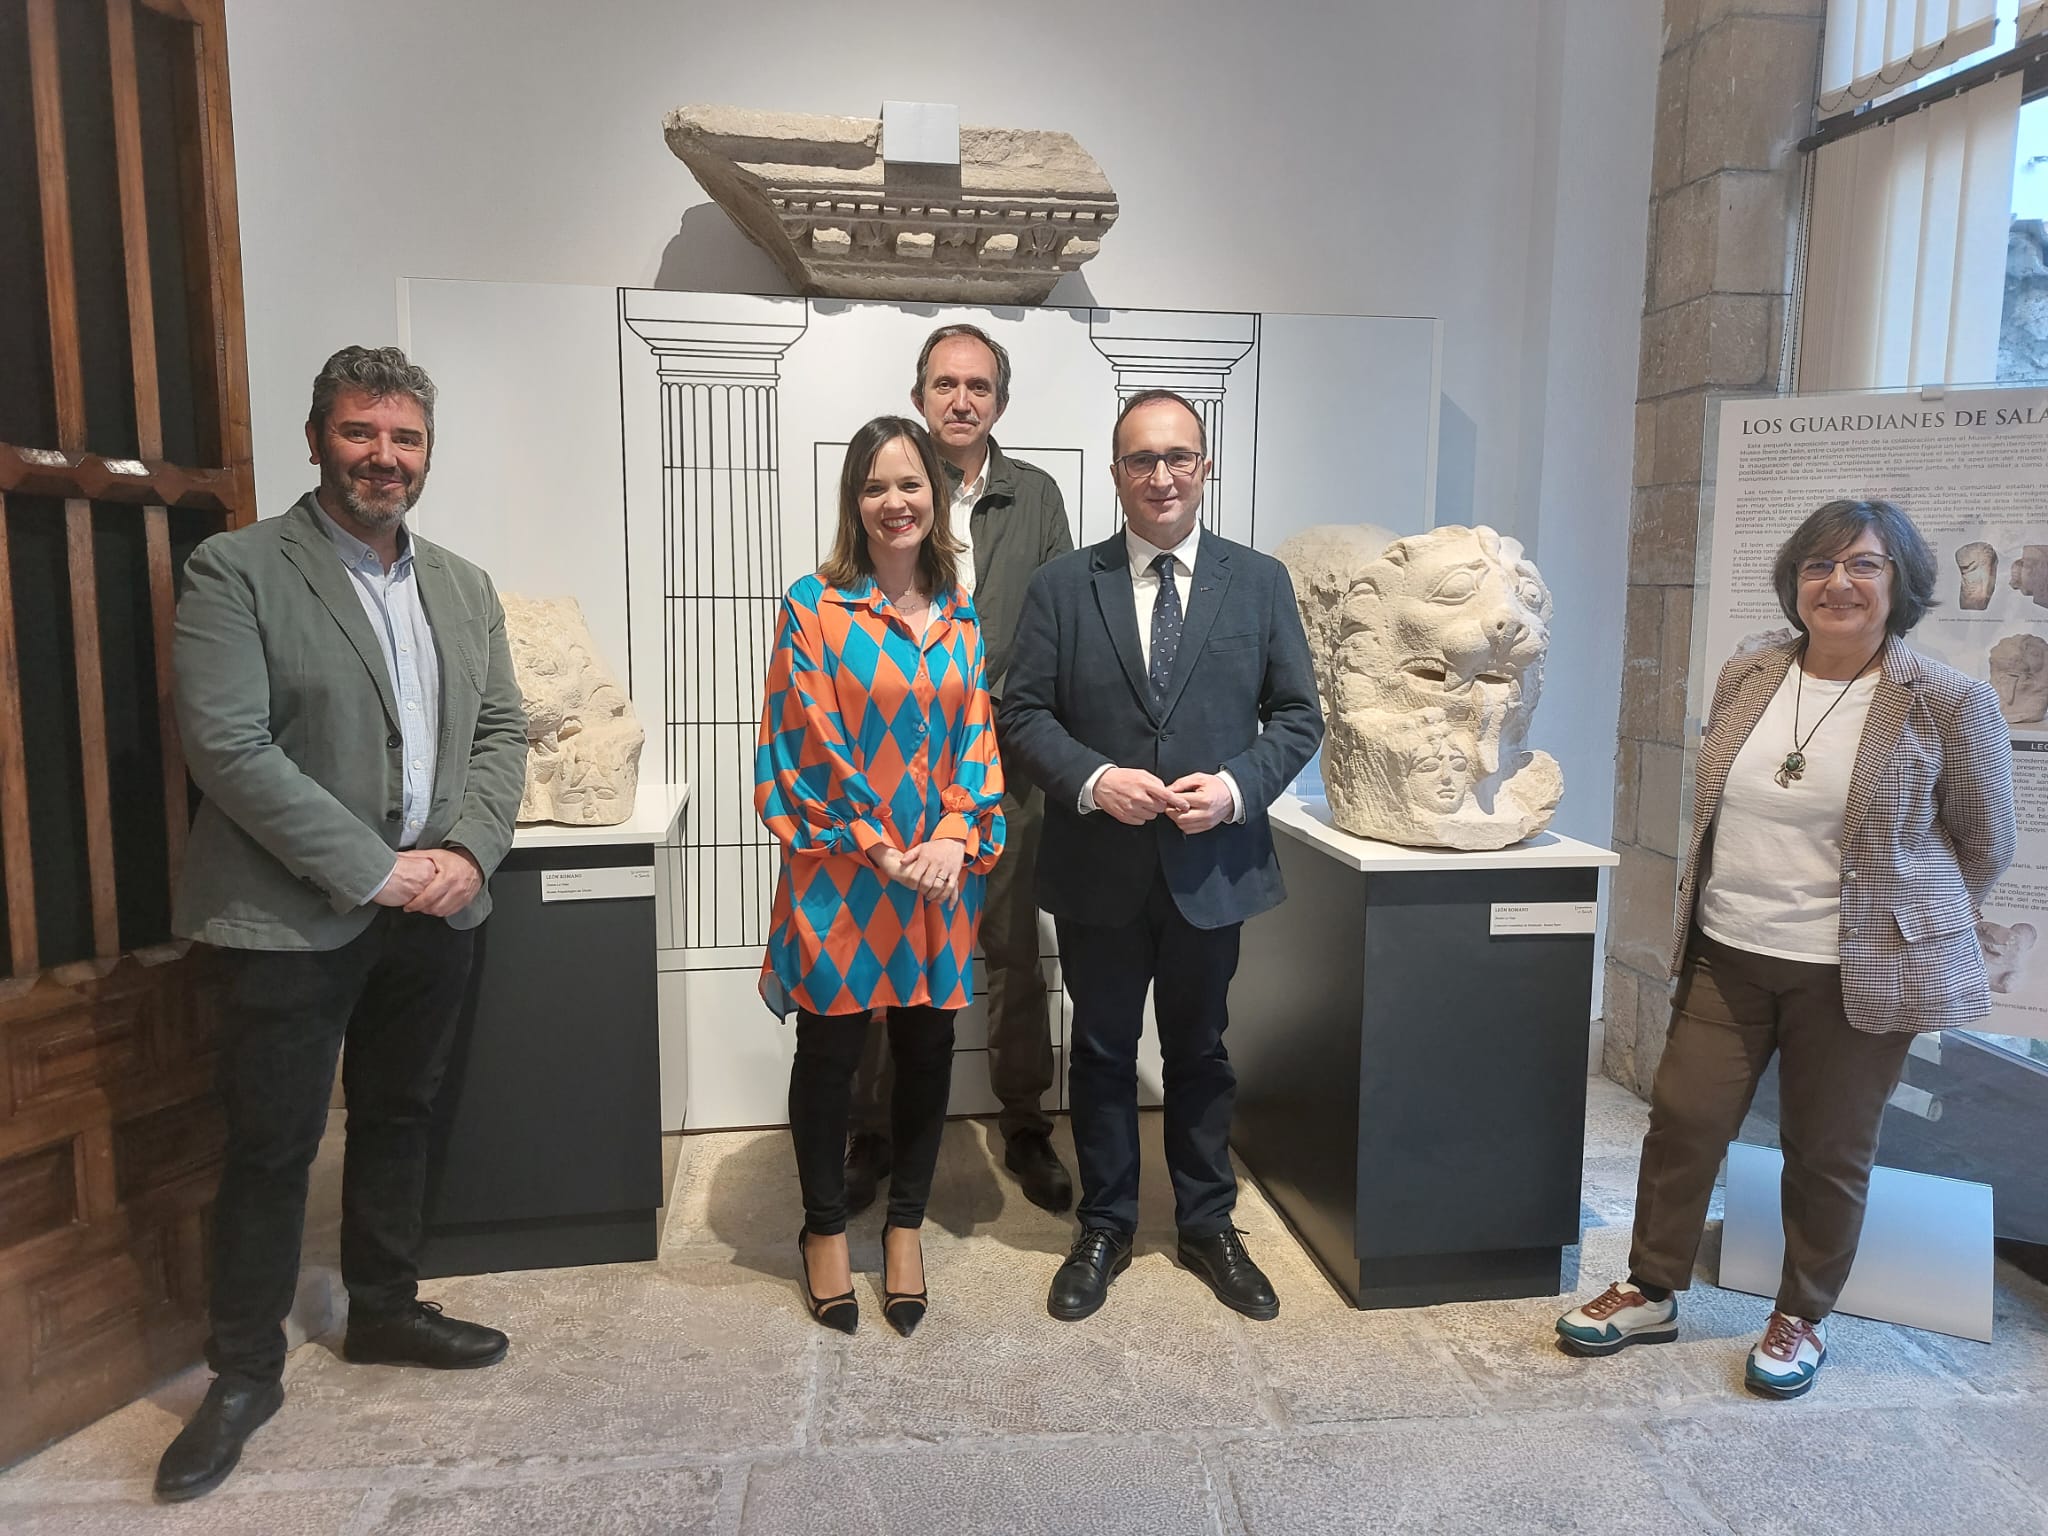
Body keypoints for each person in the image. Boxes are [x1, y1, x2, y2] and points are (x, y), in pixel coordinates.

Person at [155, 346, 528, 1501]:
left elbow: (501, 734)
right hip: (290, 917)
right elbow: (227, 744)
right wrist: (373, 870)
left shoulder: (462, 586)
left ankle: (383, 1308)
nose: (384, 457)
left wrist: (466, 853)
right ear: (316, 439)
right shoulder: (236, 570)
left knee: (401, 1114)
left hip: (434, 909)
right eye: (362, 434)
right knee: (270, 1148)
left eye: (405, 438)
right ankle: (242, 1370)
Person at [1557, 498, 2015, 1398]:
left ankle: (1801, 1311)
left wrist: (1905, 928)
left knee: (1828, 1148)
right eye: (1818, 565)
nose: (1837, 583)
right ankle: (1652, 1288)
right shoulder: (1752, 672)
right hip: (1731, 951)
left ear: (1901, 584)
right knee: (1684, 1123)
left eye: (1864, 566)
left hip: (1855, 974)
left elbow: (1984, 842)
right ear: (1794, 581)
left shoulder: (1948, 701)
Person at [998, 389, 1323, 1322]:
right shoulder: (1065, 584)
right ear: (1116, 474)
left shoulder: (1257, 582)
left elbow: (1298, 716)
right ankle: (1103, 1224)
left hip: (1208, 869)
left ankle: (1207, 1225)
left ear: (1206, 465)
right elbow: (1022, 714)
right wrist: (1096, 780)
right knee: (1100, 1052)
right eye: (1142, 459)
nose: (1162, 475)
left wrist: (1233, 789)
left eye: (1178, 456)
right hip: (1099, 865)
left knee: (1202, 1051)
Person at [755, 414, 1006, 1337]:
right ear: (852, 504)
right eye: (875, 487)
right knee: (828, 1053)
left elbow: (975, 733)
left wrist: (949, 831)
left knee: (927, 1048)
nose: (895, 502)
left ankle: (903, 1227)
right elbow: (803, 735)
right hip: (840, 868)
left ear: (937, 498)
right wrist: (878, 841)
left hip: (938, 872)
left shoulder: (962, 616)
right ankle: (824, 1229)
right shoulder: (813, 606)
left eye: (912, 485)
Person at [844, 324, 1076, 1217]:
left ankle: (1024, 1123)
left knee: (1014, 948)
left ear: (1000, 404)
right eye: (945, 383)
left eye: (978, 386)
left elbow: (1055, 627)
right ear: (920, 395)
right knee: (885, 947)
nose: (961, 400)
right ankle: (872, 1131)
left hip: (1007, 766)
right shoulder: (892, 489)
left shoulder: (1036, 497)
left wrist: (999, 715)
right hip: (897, 771)